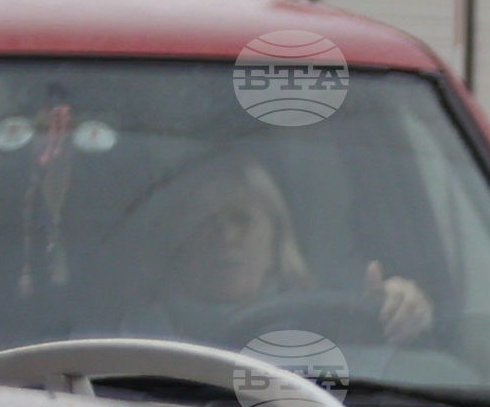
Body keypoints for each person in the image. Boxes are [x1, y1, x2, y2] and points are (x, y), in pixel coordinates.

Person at [113, 148, 432, 354]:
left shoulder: (329, 322)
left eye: (242, 219)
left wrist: (400, 312)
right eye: (203, 220)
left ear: (277, 242)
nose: (225, 236)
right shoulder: (132, 340)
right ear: (174, 243)